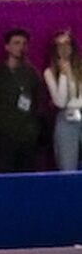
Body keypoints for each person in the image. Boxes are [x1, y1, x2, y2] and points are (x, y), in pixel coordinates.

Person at [0, 28, 41, 172]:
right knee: (4, 174)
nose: (21, 47)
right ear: (7, 47)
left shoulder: (32, 73)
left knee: (27, 176)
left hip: (27, 135)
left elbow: (39, 103)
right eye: (16, 43)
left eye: (24, 43)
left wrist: (34, 130)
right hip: (3, 135)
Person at [44, 30, 82, 171]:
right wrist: (64, 75)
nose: (64, 48)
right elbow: (60, 102)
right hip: (66, 119)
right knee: (67, 166)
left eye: (67, 44)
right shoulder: (49, 72)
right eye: (59, 45)